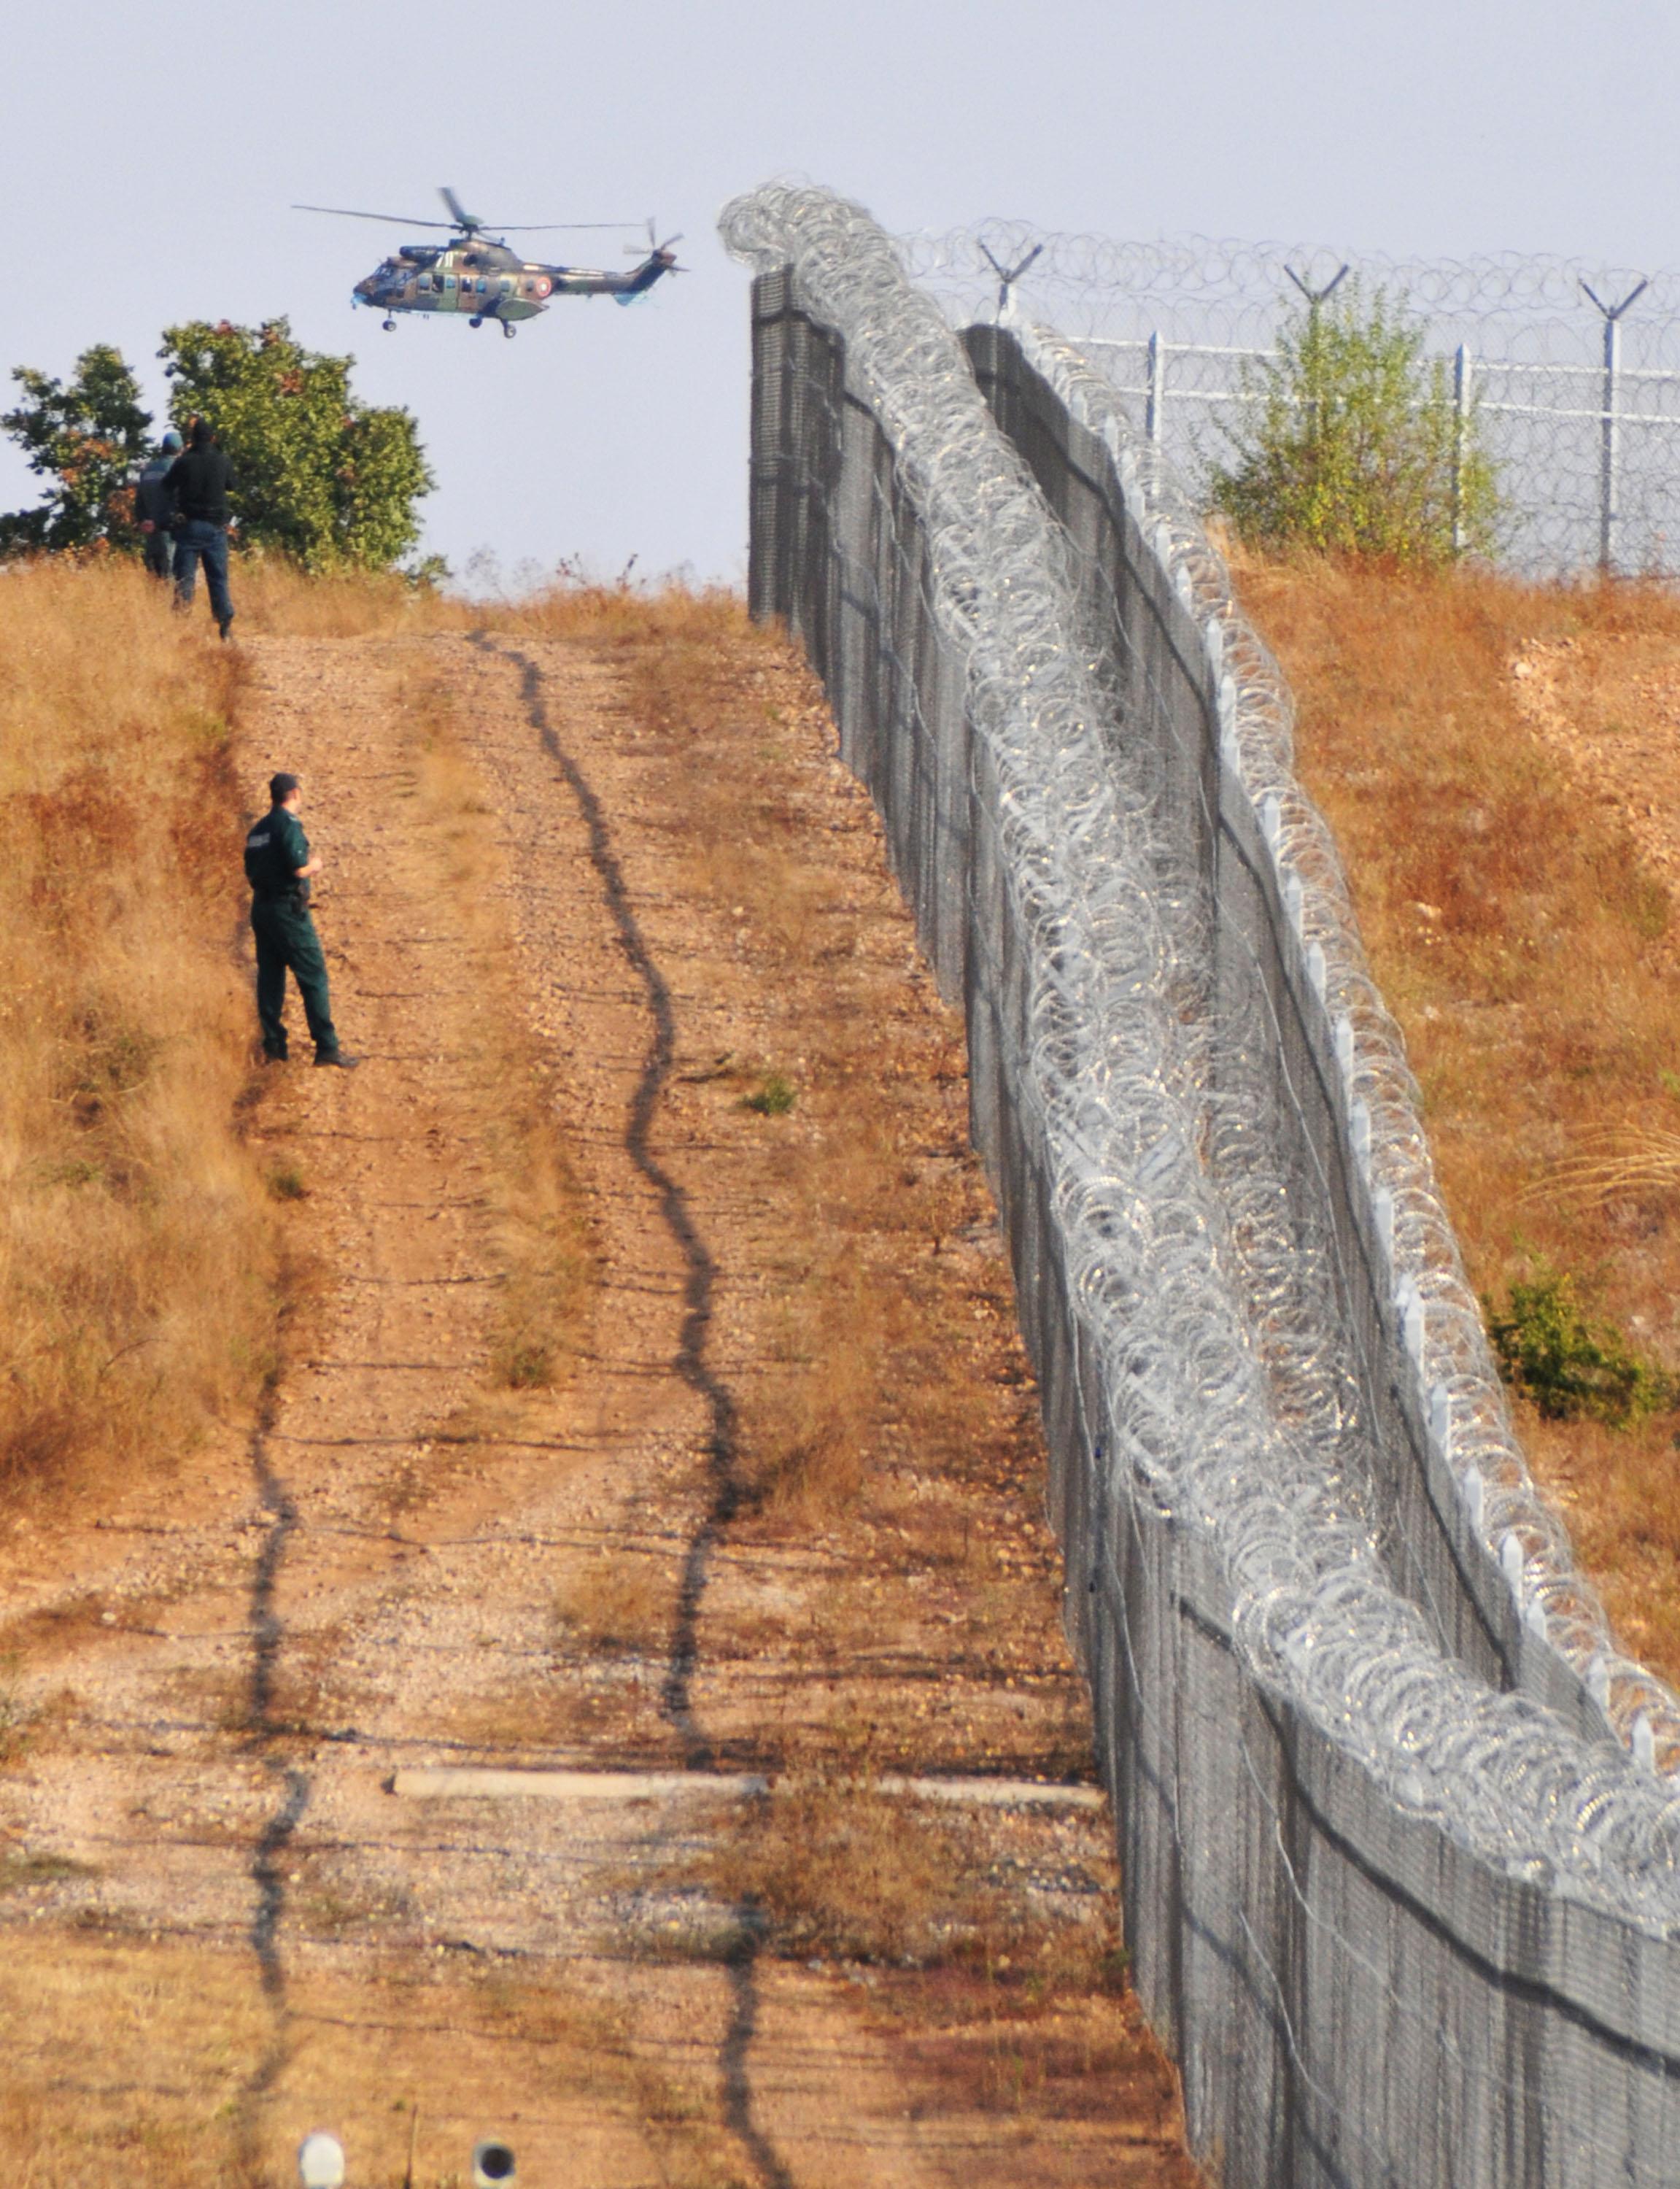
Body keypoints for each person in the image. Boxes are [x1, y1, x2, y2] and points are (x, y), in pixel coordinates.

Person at [243, 773, 359, 1068]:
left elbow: (251, 871)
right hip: (287, 910)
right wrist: (314, 866)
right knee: (313, 975)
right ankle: (327, 1047)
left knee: (270, 978)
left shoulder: (258, 830)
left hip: (261, 908)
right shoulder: (288, 825)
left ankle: (274, 1047)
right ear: (294, 793)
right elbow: (297, 868)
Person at [165, 417, 236, 638]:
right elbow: (233, 485)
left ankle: (181, 623)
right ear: (213, 438)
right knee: (218, 578)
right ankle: (224, 625)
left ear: (192, 439)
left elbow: (166, 485)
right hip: (216, 528)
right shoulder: (223, 460)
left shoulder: (185, 461)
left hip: (190, 527)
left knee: (185, 577)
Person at [133, 428, 182, 579]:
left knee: (154, 579)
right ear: (180, 449)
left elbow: (139, 501)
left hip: (150, 533)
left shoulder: (147, 470)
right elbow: (179, 500)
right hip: (170, 533)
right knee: (171, 578)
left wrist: (143, 520)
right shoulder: (177, 469)